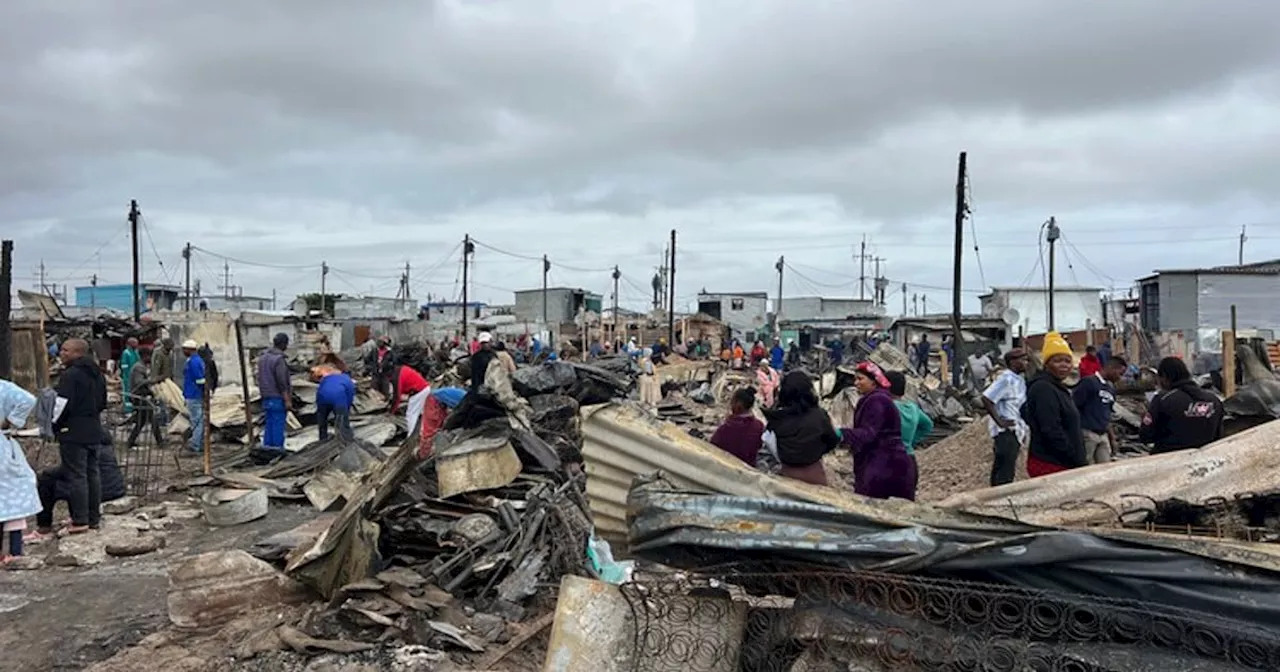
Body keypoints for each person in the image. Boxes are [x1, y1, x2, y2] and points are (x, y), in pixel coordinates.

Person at [52, 338, 107, 532]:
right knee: (93, 474)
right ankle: (93, 518)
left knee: (77, 476)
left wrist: (54, 425)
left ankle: (80, 520)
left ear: (78, 353)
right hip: (93, 429)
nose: (61, 353)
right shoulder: (97, 374)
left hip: (73, 431)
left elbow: (61, 405)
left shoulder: (71, 375)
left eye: (66, 350)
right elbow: (102, 403)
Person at [840, 362, 916, 500]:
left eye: (860, 379)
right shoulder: (877, 399)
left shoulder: (877, 400)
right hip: (887, 466)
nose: (856, 383)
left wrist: (841, 434)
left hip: (884, 469)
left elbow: (868, 434)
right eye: (855, 379)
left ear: (874, 382)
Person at [1023, 332, 1086, 478]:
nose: (1064, 365)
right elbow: (1051, 430)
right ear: (1047, 364)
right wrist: (1074, 457)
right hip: (1051, 464)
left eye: (1067, 361)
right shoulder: (1043, 389)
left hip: (1063, 462)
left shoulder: (1059, 388)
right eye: (1058, 361)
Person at [763, 371, 839, 486]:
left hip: (785, 476)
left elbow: (769, 445)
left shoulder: (776, 418)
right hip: (814, 474)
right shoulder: (819, 416)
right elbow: (832, 441)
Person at [1140, 357, 1224, 454]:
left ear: (1164, 377)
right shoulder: (1214, 401)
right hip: (1207, 461)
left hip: (1168, 462)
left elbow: (1145, 436)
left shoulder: (1163, 399)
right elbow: (1219, 438)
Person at [0, 379, 41, 564]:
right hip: (4, 451)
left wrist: (8, 422)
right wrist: (10, 421)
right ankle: (15, 552)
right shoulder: (4, 387)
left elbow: (29, 399)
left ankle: (11, 552)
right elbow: (28, 399)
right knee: (11, 498)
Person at [982, 349, 1030, 486]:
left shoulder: (1019, 379)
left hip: (1015, 429)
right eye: (1023, 360)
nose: (1026, 363)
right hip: (1006, 431)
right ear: (1013, 362)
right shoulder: (1006, 379)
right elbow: (987, 398)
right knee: (1005, 469)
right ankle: (1000, 498)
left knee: (1006, 465)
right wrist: (999, 421)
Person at [1073, 355, 1127, 465]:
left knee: (1105, 468)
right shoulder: (1088, 383)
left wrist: (1112, 438)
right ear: (1112, 368)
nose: (1120, 377)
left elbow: (1108, 415)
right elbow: (1073, 407)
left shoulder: (1110, 389)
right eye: (1120, 373)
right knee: (1085, 467)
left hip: (1103, 435)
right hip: (1087, 433)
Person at [709, 387, 765, 467]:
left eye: (732, 402)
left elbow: (711, 448)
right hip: (749, 470)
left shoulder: (726, 428)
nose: (730, 405)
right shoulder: (759, 426)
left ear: (738, 404)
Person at [257, 333, 292, 454]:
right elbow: (282, 381)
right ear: (283, 344)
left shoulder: (263, 358)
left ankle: (267, 450)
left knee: (269, 425)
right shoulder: (279, 360)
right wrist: (287, 399)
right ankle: (277, 451)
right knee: (278, 425)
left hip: (265, 396)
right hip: (277, 397)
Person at [885, 370, 933, 456]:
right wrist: (910, 442)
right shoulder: (913, 408)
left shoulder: (885, 407)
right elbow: (928, 425)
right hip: (908, 456)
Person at [126, 348, 165, 449]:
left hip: (141, 396)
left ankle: (130, 441)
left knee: (141, 421)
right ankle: (160, 442)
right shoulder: (139, 368)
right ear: (144, 356)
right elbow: (139, 382)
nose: (150, 358)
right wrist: (153, 381)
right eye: (149, 356)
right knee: (153, 419)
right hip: (139, 397)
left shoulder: (141, 366)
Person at [314, 366, 355, 441]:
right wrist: (346, 410)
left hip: (322, 397)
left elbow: (319, 391)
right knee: (342, 420)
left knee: (322, 420)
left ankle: (323, 438)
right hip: (339, 399)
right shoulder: (347, 379)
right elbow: (349, 396)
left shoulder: (326, 378)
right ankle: (345, 440)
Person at [181, 339, 207, 454]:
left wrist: (202, 391)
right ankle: (198, 443)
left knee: (196, 420)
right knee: (197, 420)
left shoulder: (194, 362)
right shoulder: (194, 360)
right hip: (194, 393)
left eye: (184, 349)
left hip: (194, 394)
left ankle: (196, 445)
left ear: (190, 350)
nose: (183, 351)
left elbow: (199, 379)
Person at [120, 337, 140, 414]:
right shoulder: (126, 353)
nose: (136, 345)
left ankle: (134, 409)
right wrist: (127, 376)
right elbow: (124, 366)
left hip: (136, 377)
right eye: (134, 343)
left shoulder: (136, 352)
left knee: (134, 393)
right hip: (127, 377)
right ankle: (128, 410)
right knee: (127, 393)